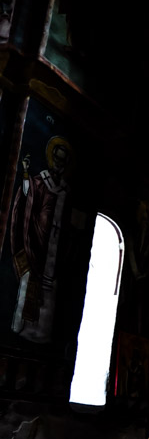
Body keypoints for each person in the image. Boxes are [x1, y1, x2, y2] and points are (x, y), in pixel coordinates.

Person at [9, 136, 72, 342]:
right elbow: (28, 194)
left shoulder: (64, 189)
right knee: (30, 281)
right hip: (37, 240)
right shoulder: (40, 180)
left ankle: (41, 333)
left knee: (49, 288)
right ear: (52, 158)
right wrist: (25, 172)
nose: (59, 164)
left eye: (63, 161)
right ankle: (22, 327)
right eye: (57, 159)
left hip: (53, 246)